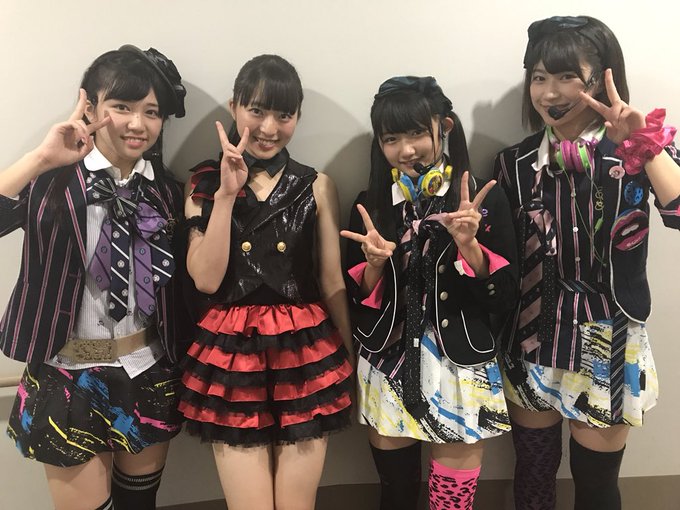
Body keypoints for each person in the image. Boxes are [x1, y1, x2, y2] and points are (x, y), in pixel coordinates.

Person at [493, 15, 680, 510]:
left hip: (608, 332)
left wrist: (644, 145)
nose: (550, 92)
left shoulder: (636, 152)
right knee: (534, 472)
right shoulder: (513, 164)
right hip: (531, 332)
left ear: (599, 79)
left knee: (596, 482)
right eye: (539, 77)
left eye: (566, 76)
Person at [0, 46, 188, 510]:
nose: (137, 124)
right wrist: (40, 158)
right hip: (65, 373)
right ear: (90, 108)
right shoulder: (51, 181)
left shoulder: (166, 190)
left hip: (146, 368)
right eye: (122, 107)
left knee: (139, 504)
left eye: (152, 112)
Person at [178, 54, 353, 510]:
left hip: (306, 356)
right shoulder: (202, 183)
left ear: (297, 116)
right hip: (231, 359)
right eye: (256, 110)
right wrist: (225, 194)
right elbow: (205, 279)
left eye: (284, 114)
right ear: (234, 107)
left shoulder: (317, 185)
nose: (269, 128)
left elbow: (331, 280)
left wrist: (350, 361)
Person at [341, 76, 518, 510]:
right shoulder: (372, 205)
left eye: (417, 133)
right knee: (396, 493)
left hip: (461, 363)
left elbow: (503, 297)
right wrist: (375, 265)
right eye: (391, 138)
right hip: (388, 360)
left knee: (452, 502)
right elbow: (358, 301)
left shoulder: (481, 200)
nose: (406, 150)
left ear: (445, 127)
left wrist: (470, 247)